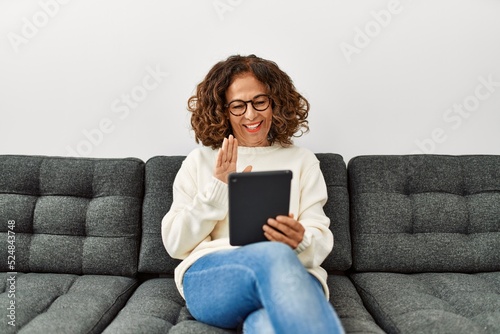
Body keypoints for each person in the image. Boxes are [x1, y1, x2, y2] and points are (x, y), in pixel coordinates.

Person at [162, 54, 344, 333]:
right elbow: (175, 243)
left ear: (276, 103)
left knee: (266, 325)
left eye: (260, 102)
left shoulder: (302, 161)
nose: (251, 114)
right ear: (223, 110)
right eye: (238, 106)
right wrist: (218, 189)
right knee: (272, 255)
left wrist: (301, 241)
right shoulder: (200, 161)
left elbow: (318, 239)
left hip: (293, 274)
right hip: (215, 279)